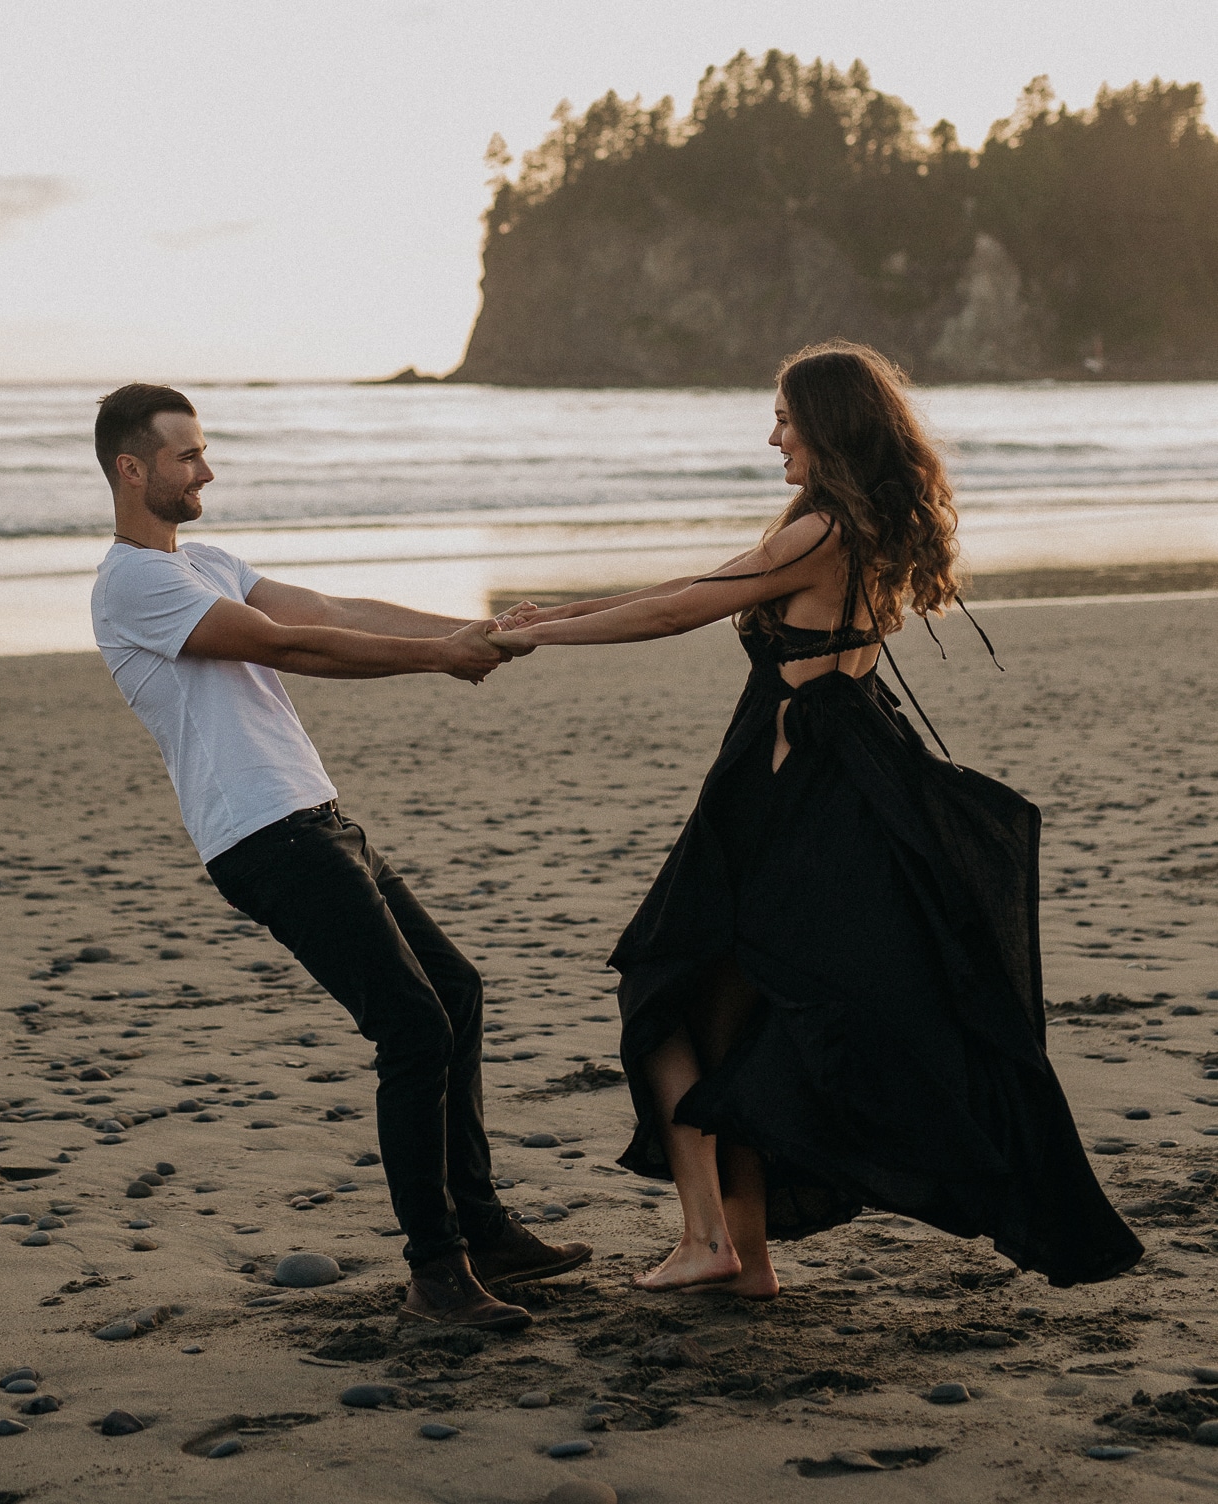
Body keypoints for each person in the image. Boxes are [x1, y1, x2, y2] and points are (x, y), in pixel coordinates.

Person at [493, 343, 1142, 1296]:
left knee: (661, 989)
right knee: (733, 1016)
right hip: (836, 777)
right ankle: (739, 1257)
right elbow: (686, 591)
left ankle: (710, 1239)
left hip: (777, 793)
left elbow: (680, 615)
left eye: (786, 420)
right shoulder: (854, 523)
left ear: (827, 426)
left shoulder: (820, 530)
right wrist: (554, 612)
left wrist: (536, 639)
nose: (771, 436)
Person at [89, 382, 590, 1330]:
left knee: (456, 992)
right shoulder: (134, 583)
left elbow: (329, 602)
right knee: (411, 1027)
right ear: (131, 468)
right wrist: (440, 661)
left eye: (202, 452)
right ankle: (436, 1273)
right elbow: (297, 646)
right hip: (260, 834)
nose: (206, 469)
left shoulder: (204, 560)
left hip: (317, 818)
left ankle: (483, 1231)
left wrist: (464, 630)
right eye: (186, 456)